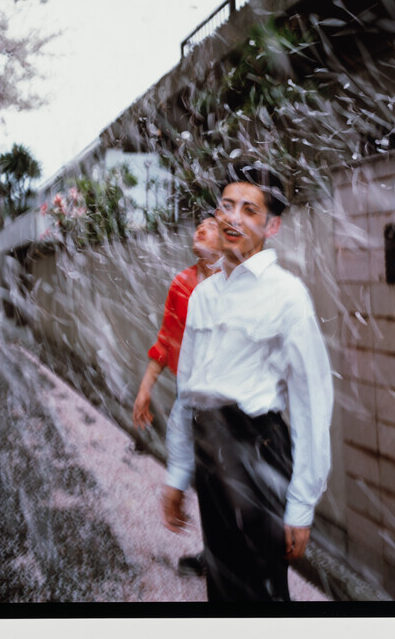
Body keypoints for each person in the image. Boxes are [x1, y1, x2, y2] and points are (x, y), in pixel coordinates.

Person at [161, 163, 334, 602]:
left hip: (259, 446)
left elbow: (312, 398)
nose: (233, 217)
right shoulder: (202, 296)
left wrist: (301, 503)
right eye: (226, 205)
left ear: (271, 225)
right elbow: (188, 391)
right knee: (220, 582)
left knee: (262, 589)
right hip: (209, 446)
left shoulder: (287, 295)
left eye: (249, 209)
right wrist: (179, 473)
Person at [132, 216, 221, 577]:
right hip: (193, 397)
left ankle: (227, 560)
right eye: (198, 225)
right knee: (206, 478)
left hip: (231, 404)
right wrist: (145, 387)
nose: (200, 229)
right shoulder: (182, 284)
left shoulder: (236, 282)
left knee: (226, 483)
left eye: (210, 225)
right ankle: (216, 556)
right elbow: (167, 338)